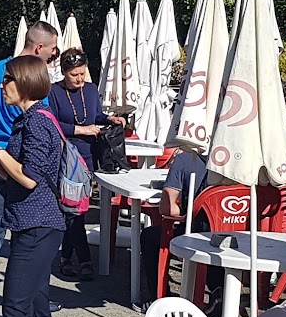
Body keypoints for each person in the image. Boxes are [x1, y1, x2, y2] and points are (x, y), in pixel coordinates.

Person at [0, 55, 69, 317]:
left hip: (39, 225)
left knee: (16, 309)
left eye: (7, 79)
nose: (2, 85)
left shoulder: (37, 123)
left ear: (24, 83)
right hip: (33, 224)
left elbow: (32, 179)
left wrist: (0, 155)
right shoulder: (28, 120)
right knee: (36, 311)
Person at [0, 20, 60, 311]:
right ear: (39, 47)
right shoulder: (27, 79)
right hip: (14, 153)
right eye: (53, 52)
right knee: (31, 225)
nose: (52, 58)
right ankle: (36, 296)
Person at [45, 48, 123, 280]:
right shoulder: (55, 92)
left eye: (82, 73)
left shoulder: (90, 90)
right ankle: (84, 258)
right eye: (74, 75)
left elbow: (95, 114)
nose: (79, 79)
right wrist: (81, 129)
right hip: (68, 156)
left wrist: (108, 118)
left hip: (89, 156)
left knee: (79, 209)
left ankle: (66, 257)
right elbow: (52, 123)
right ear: (64, 73)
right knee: (72, 209)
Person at [141, 142, 215, 300]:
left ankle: (158, 296)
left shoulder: (186, 159)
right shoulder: (242, 162)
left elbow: (167, 208)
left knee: (149, 236)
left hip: (197, 234)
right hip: (239, 233)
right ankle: (218, 290)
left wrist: (186, 213)